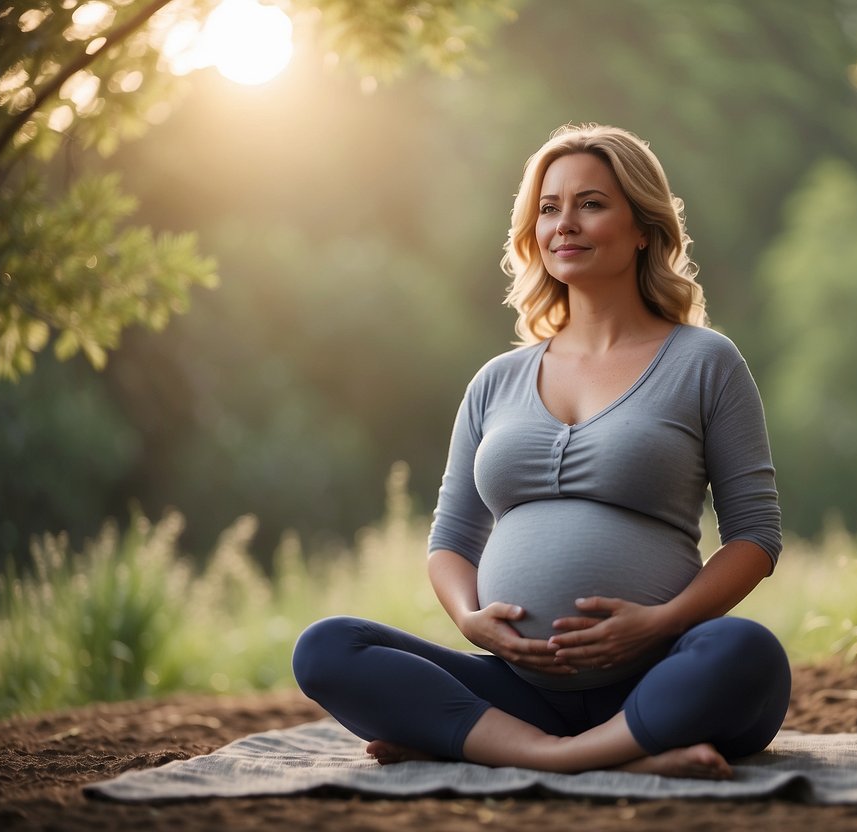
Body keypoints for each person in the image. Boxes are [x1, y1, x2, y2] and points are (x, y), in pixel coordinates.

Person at [292, 123, 790, 779]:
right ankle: (587, 756)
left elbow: (754, 538)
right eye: (548, 208)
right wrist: (470, 621)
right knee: (328, 648)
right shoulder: (496, 380)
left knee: (745, 652)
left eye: (591, 203)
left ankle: (506, 749)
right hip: (517, 691)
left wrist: (656, 623)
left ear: (643, 226)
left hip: (660, 677)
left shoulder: (705, 362)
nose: (565, 224)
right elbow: (450, 538)